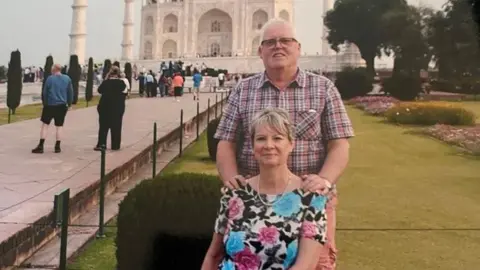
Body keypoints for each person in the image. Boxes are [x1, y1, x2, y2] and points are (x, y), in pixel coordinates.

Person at [214, 18, 354, 270]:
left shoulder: (323, 89)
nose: (278, 46)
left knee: (318, 265)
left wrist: (324, 180)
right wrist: (232, 179)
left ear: (298, 47)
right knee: (249, 263)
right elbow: (226, 142)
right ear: (260, 51)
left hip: (311, 202)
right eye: (270, 42)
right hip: (254, 205)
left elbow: (339, 145)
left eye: (285, 41)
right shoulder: (243, 90)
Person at [202, 108, 328, 270]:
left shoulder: (311, 198)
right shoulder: (235, 193)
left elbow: (305, 265)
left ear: (291, 144)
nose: (269, 145)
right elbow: (213, 255)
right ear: (253, 146)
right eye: (261, 139)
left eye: (277, 138)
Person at [32, 64, 73, 154]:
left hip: (50, 105)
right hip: (62, 106)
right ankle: (57, 147)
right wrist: (69, 104)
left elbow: (45, 92)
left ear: (54, 70)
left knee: (45, 125)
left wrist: (45, 103)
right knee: (59, 126)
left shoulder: (50, 79)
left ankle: (41, 146)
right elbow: (70, 92)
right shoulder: (67, 78)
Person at [94, 66, 127, 151]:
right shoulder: (121, 83)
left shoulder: (106, 83)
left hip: (105, 106)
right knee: (116, 126)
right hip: (117, 107)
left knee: (103, 126)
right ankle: (115, 145)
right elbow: (124, 91)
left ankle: (102, 144)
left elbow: (99, 90)